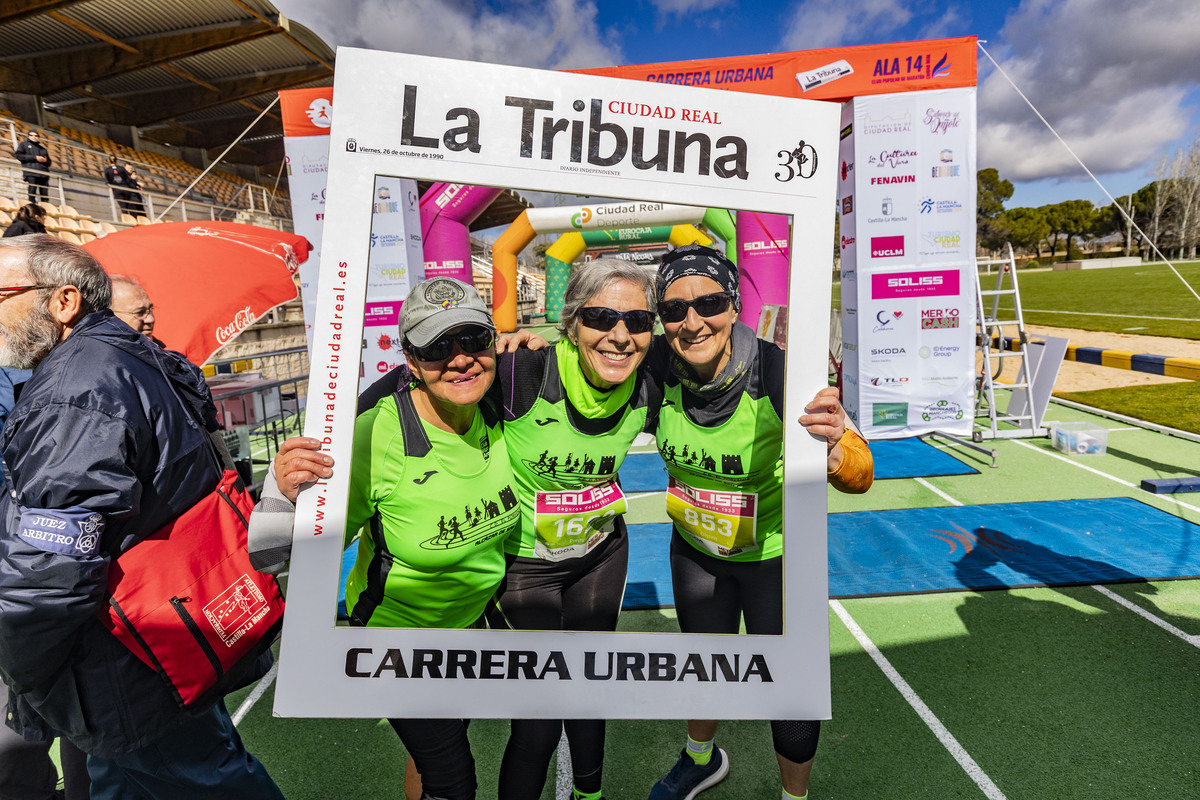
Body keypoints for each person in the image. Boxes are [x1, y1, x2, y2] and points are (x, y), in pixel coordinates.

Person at [0, 235, 284, 800]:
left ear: (63, 302)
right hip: (165, 631)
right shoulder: (128, 355)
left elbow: (47, 576)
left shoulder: (74, 392)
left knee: (210, 780)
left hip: (131, 653)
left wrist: (21, 671)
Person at [251, 276, 523, 800]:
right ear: (410, 361)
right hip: (394, 643)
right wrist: (283, 495)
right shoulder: (375, 435)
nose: (461, 358)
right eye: (438, 346)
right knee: (453, 778)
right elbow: (273, 557)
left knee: (434, 753)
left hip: (471, 633)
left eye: (473, 339)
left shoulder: (501, 410)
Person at [645, 244, 873, 800]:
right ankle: (700, 758)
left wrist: (835, 444)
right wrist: (521, 349)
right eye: (674, 310)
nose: (692, 322)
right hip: (696, 551)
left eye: (710, 303)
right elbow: (589, 355)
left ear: (734, 305)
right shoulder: (656, 366)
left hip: (775, 560)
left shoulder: (776, 370)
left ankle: (793, 796)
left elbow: (861, 474)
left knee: (790, 687)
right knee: (705, 665)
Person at [489, 258, 660, 800]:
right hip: (523, 567)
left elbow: (736, 365)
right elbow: (411, 388)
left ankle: (590, 795)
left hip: (601, 554)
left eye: (637, 322)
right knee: (538, 716)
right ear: (571, 323)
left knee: (590, 690)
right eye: (601, 317)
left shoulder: (650, 384)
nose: (620, 336)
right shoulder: (521, 371)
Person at [109, 274, 162, 346]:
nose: (151, 319)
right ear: (109, 316)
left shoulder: (162, 354)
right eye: (139, 312)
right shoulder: (101, 355)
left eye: (150, 309)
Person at [13, 130, 50, 204]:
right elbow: (18, 156)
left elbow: (49, 162)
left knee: (44, 194)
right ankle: (32, 207)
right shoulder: (23, 145)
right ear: (28, 136)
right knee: (32, 191)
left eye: (36, 136)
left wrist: (45, 160)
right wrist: (35, 158)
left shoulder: (42, 149)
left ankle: (45, 208)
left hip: (43, 173)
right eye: (32, 135)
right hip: (31, 172)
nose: (34, 137)